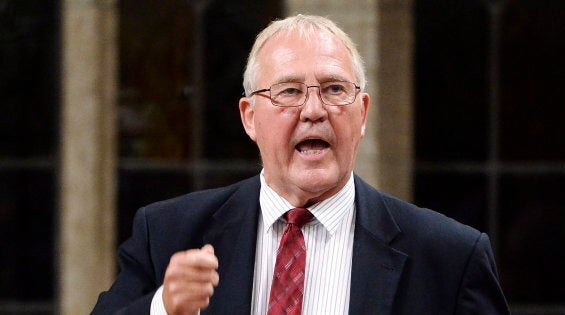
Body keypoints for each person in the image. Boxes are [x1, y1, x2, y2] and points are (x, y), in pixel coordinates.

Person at [92, 14, 509, 315]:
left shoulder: (448, 258)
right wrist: (163, 308)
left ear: (361, 113)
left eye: (333, 89)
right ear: (249, 117)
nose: (314, 110)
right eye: (289, 91)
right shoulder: (170, 234)